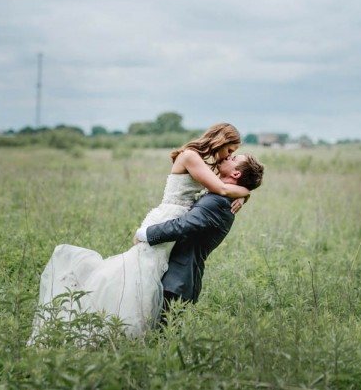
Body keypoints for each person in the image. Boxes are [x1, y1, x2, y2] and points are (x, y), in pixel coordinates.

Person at [28, 123, 250, 343]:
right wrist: (246, 191)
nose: (228, 156)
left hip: (175, 219)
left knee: (148, 277)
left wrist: (243, 195)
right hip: (167, 218)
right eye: (230, 150)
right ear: (221, 140)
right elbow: (220, 189)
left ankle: (139, 331)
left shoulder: (202, 163)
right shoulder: (191, 156)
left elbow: (219, 188)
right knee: (139, 274)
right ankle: (116, 325)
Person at [134, 154, 264, 320]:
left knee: (161, 337)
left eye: (234, 159)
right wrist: (244, 194)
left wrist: (145, 233)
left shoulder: (219, 202)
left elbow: (183, 225)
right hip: (173, 277)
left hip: (177, 282)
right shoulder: (221, 197)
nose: (228, 156)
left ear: (236, 174)